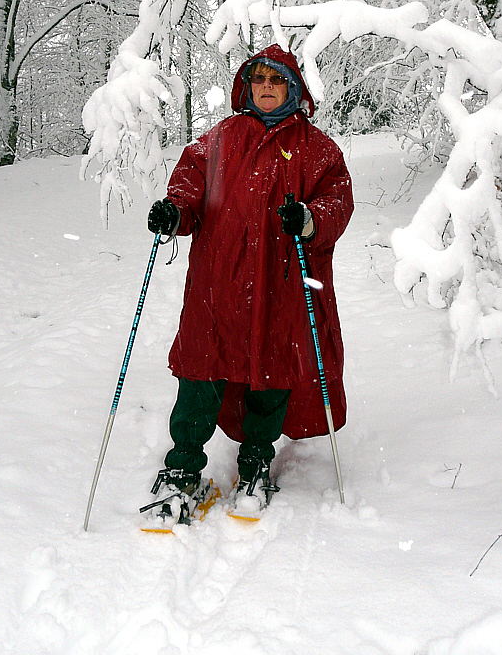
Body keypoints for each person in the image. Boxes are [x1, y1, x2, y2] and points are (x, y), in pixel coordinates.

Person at [146, 44, 353, 518]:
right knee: (199, 373)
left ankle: (257, 462)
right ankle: (182, 467)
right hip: (216, 284)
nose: (265, 87)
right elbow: (188, 189)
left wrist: (308, 218)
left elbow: (337, 203)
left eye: (275, 80)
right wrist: (173, 213)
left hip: (278, 285)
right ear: (247, 85)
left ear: (292, 88)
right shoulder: (217, 140)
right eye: (258, 79)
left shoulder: (318, 149)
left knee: (270, 374)